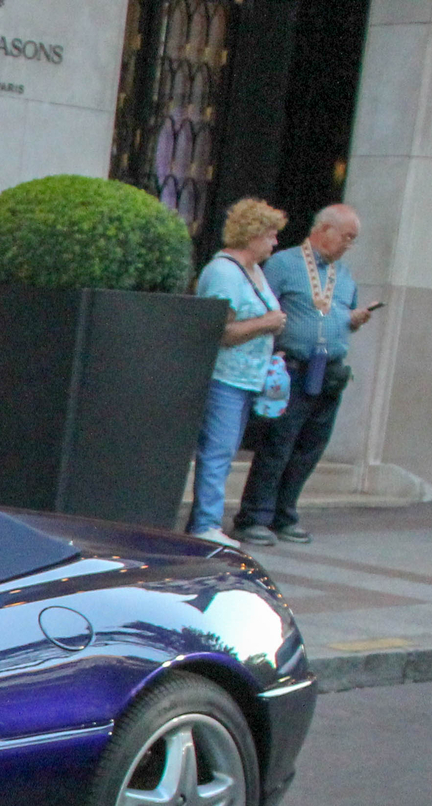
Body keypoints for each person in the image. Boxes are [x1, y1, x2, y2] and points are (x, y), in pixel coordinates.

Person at [233, 203, 379, 545]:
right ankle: (254, 515)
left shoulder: (343, 274)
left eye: (353, 240)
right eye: (346, 237)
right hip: (293, 369)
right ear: (324, 229)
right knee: (277, 445)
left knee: (310, 447)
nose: (348, 245)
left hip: (329, 371)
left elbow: (335, 313)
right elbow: (261, 306)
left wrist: (353, 320)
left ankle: (285, 514)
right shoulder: (283, 264)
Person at [186, 198, 288, 547]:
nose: (275, 243)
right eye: (271, 235)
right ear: (253, 234)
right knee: (217, 449)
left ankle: (209, 520)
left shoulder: (254, 271)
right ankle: (204, 523)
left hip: (248, 378)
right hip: (224, 377)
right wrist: (267, 324)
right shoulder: (224, 273)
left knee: (225, 450)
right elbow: (221, 332)